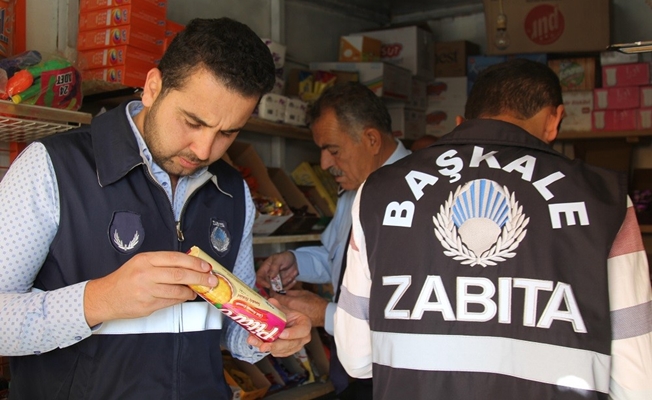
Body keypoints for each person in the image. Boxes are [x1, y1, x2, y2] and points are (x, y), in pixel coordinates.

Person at [0, 18, 311, 400]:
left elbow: (231, 325)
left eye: (227, 133)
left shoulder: (233, 192)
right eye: (193, 122)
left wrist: (269, 335)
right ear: (152, 88)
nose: (204, 150)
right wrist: (99, 299)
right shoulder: (52, 168)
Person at [334, 58, 652, 399]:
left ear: (461, 122)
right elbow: (637, 382)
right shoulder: (603, 200)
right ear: (554, 119)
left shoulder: (378, 191)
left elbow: (356, 359)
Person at [256, 81, 411, 398]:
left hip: (392, 375)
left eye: (333, 150)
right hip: (348, 368)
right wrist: (296, 262)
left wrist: (324, 313)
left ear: (370, 139)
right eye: (321, 151)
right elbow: (336, 258)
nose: (325, 163)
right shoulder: (354, 189)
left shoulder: (418, 194)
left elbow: (408, 315)